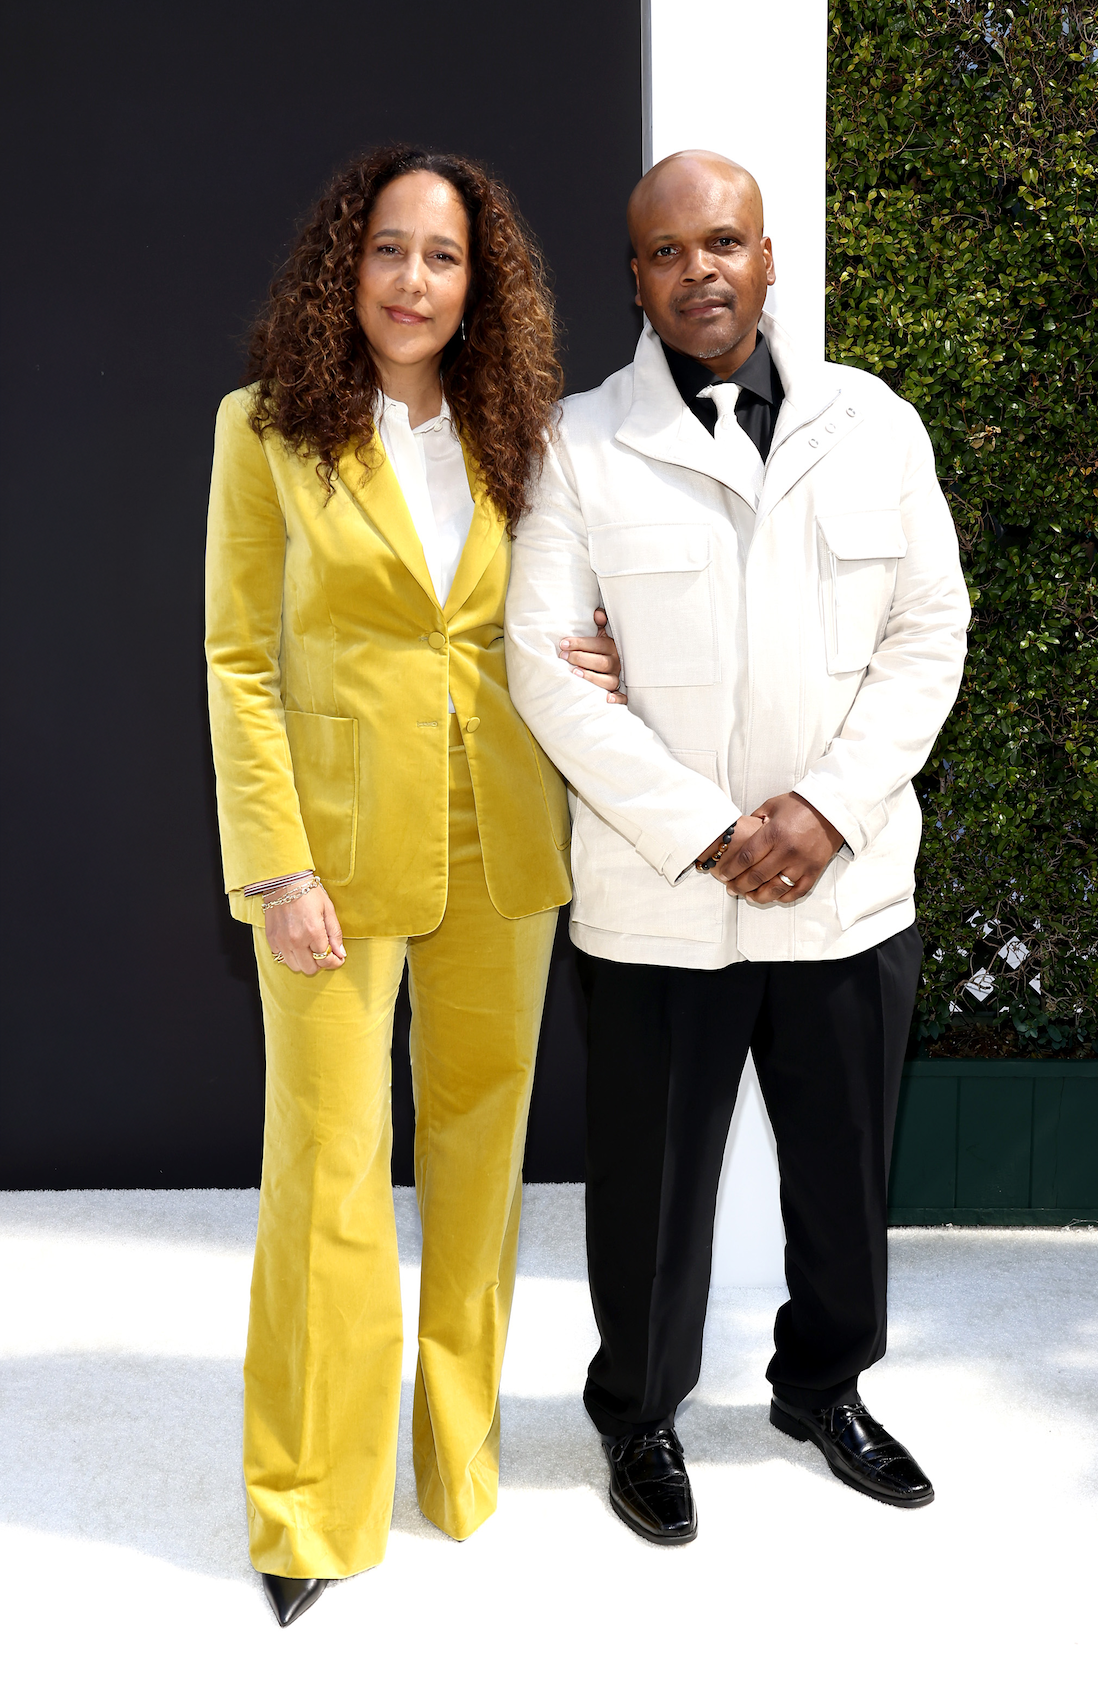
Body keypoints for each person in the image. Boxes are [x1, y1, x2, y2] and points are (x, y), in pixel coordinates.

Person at [505, 150, 971, 1544]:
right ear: (634, 277)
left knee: (845, 1168)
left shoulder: (875, 426)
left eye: (724, 242)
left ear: (770, 259)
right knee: (651, 1186)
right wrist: (714, 832)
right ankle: (638, 1409)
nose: (698, 269)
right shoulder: (575, 445)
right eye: (665, 250)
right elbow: (544, 666)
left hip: (847, 888)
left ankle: (822, 1385)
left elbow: (927, 634)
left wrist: (824, 809)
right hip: (662, 901)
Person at [205, 144, 624, 1624]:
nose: (414, 280)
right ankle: (309, 1503)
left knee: (477, 1163)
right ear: (348, 262)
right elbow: (239, 661)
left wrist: (605, 652)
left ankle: (459, 1453)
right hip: (330, 852)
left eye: (444, 257)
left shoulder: (526, 433)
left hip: (502, 842)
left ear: (478, 282)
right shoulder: (264, 430)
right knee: (325, 1168)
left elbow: (546, 613)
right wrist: (274, 867)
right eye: (390, 249)